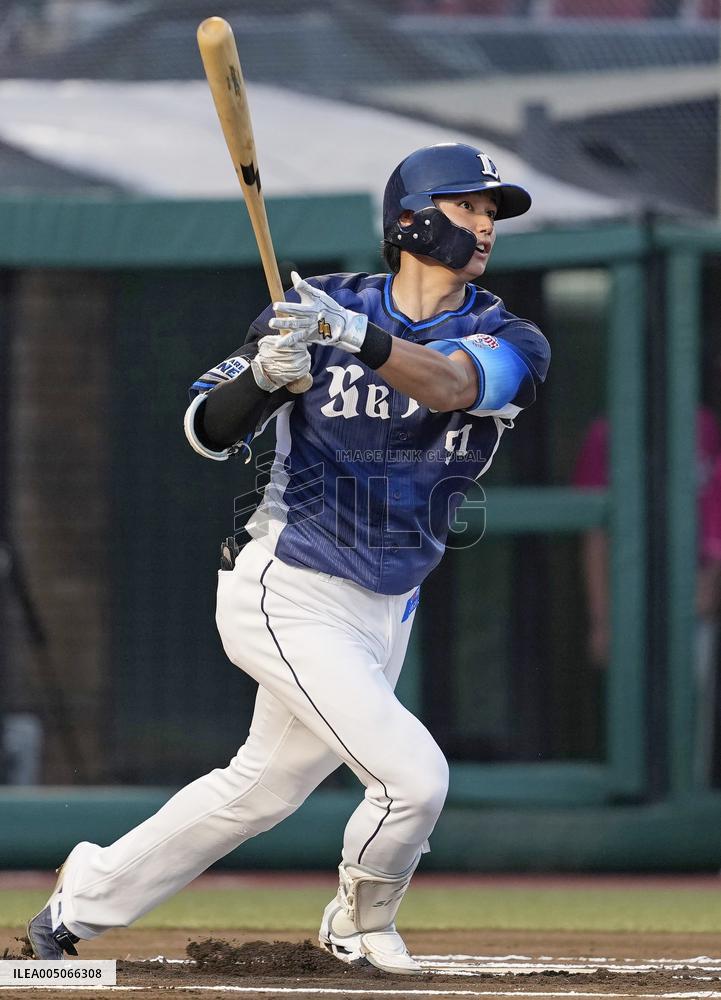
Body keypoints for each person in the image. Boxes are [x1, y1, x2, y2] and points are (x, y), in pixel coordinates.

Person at [27, 143, 550, 974]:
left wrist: (356, 338)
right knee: (413, 780)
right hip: (286, 580)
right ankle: (358, 920)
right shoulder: (308, 309)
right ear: (410, 221)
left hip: (386, 605)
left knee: (260, 787)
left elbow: (452, 388)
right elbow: (204, 429)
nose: (485, 224)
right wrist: (268, 378)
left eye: (492, 212)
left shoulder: (506, 334)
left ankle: (77, 903)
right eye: (467, 206)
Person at [574, 409, 721, 781]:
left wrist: (712, 578)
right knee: (630, 712)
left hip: (692, 592)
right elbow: (594, 535)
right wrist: (601, 618)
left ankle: (690, 786)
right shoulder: (605, 433)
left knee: (692, 711)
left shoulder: (703, 426)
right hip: (628, 597)